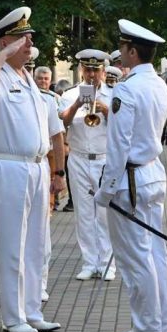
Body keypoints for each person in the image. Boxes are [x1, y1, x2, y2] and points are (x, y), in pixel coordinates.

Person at [0, 6, 65, 332]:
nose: (29, 44)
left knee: (36, 246)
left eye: (30, 38)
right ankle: (13, 317)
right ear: (5, 42)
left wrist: (55, 171)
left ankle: (33, 311)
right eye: (22, 38)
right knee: (11, 246)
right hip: (6, 166)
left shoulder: (28, 79)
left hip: (36, 167)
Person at [93, 19, 167, 332]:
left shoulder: (126, 88)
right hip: (151, 172)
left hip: (130, 180)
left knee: (135, 257)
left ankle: (147, 327)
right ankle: (159, 325)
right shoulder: (159, 84)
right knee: (155, 254)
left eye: (123, 47)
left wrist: (105, 190)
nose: (120, 52)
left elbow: (118, 145)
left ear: (132, 52)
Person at [60, 49, 116, 282]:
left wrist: (106, 110)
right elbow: (63, 122)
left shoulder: (114, 94)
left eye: (96, 70)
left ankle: (107, 264)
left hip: (104, 158)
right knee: (83, 214)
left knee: (104, 214)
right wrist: (76, 105)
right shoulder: (70, 94)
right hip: (79, 158)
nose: (92, 74)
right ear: (81, 70)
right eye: (88, 69)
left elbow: (123, 126)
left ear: (103, 71)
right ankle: (89, 263)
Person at [33, 65, 63, 301]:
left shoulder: (50, 100)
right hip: (14, 166)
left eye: (46, 78)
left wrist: (59, 173)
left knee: (42, 228)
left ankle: (41, 283)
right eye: (39, 77)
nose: (42, 81)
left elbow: (58, 136)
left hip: (41, 163)